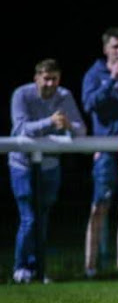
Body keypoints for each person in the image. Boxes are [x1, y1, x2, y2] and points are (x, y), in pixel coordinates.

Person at [9, 59, 86, 283]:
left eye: (54, 79)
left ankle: (38, 269)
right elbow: (19, 129)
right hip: (22, 165)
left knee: (42, 219)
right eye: (46, 78)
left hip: (51, 166)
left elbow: (81, 129)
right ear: (36, 78)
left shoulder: (64, 95)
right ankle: (21, 268)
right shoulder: (21, 95)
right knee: (29, 219)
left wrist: (69, 126)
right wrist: (50, 122)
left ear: (59, 79)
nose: (50, 83)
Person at [82, 27, 118, 278]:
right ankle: (90, 267)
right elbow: (89, 104)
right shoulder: (95, 74)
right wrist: (112, 80)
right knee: (99, 207)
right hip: (104, 151)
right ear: (105, 49)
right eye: (116, 46)